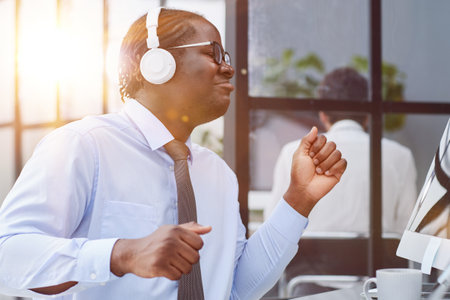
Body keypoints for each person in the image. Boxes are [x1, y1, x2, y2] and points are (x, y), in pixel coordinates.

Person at [0, 7, 347, 300]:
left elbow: (236, 288)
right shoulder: (83, 145)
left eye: (226, 57)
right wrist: (121, 253)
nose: (228, 68)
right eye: (214, 53)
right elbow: (8, 254)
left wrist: (298, 199)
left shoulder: (218, 174)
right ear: (153, 62)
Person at [265, 67, 417, 234]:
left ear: (322, 115)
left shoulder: (293, 152)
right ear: (368, 115)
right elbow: (406, 231)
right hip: (379, 259)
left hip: (307, 259)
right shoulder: (401, 156)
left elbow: (274, 224)